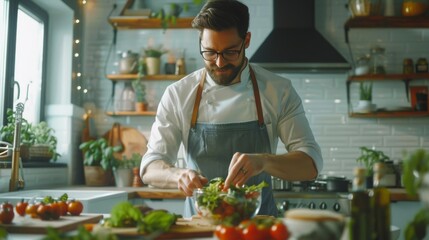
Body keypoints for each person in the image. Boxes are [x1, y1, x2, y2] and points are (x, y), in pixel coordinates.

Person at [140, 0, 323, 218]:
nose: (218, 63)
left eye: (229, 52)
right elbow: (150, 167)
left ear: (246, 41)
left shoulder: (278, 90)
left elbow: (310, 165)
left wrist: (263, 161)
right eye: (209, 52)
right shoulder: (178, 94)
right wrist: (178, 175)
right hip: (201, 229)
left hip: (258, 228)